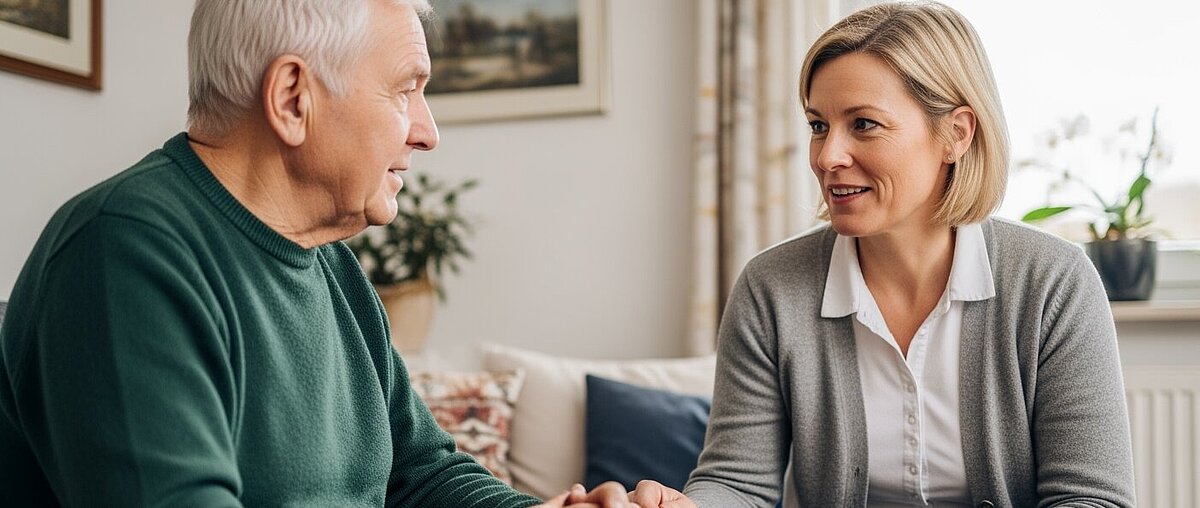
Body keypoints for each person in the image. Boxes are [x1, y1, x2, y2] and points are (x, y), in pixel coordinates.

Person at [0, 1, 632, 506]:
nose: (428, 131)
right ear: (293, 99)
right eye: (405, 90)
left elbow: (419, 475)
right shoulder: (126, 251)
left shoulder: (333, 267)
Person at [630, 2, 1135, 507]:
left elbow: (1091, 498)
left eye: (864, 124)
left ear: (956, 134)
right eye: (818, 125)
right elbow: (738, 484)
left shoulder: (1055, 284)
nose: (828, 157)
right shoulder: (771, 288)